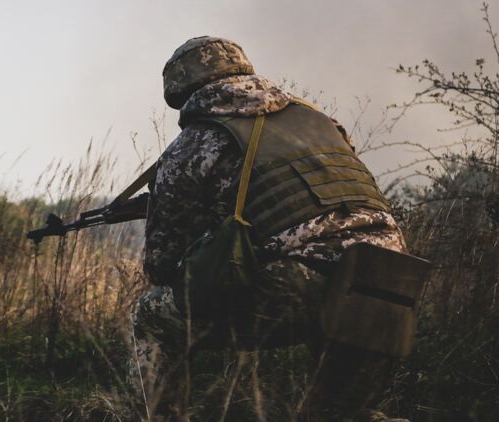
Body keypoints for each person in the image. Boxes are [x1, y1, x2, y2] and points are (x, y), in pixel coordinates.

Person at [130, 36, 413, 421]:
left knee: (151, 315)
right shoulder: (321, 121)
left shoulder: (192, 146)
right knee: (341, 415)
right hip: (390, 283)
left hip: (300, 285)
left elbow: (162, 266)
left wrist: (211, 236)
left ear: (182, 90)